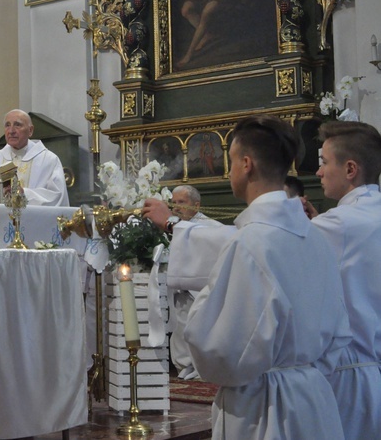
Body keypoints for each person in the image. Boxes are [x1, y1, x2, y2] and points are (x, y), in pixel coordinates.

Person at [142, 115, 350, 439]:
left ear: (246, 164)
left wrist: (202, 309)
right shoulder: (315, 238)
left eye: (231, 162)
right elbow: (339, 331)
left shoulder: (251, 242)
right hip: (315, 398)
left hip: (265, 410)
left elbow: (221, 351)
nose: (229, 172)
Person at [300, 121, 381, 440]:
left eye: (324, 162)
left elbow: (263, 247)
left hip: (348, 380)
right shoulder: (361, 218)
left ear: (350, 169)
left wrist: (174, 225)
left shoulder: (342, 224)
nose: (319, 172)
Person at [167, 185, 222, 380]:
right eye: (173, 202)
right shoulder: (170, 225)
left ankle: (199, 368)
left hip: (200, 291)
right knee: (180, 328)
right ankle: (183, 367)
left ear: (196, 205)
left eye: (182, 202)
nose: (176, 207)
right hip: (179, 290)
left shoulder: (212, 228)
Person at [0, 109, 69, 206]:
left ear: (30, 130)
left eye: (17, 125)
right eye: (7, 125)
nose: (11, 131)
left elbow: (57, 196)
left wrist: (24, 194)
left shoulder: (49, 160)